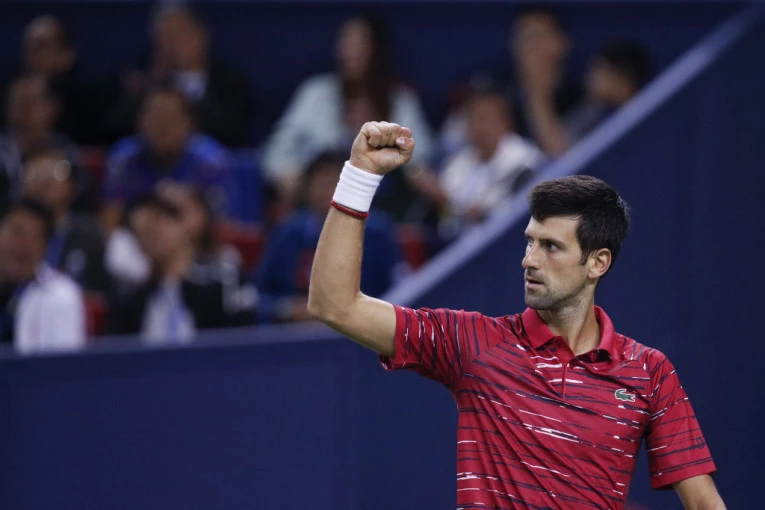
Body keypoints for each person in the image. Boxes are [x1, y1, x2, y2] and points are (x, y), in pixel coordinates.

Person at [307, 122, 724, 509]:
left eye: (551, 246)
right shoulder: (473, 342)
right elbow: (334, 305)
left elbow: (704, 502)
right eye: (530, 242)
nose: (529, 260)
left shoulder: (650, 373)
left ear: (597, 262)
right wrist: (360, 175)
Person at [261, 15, 434, 204]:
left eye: (360, 44)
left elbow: (421, 162)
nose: (349, 52)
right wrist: (293, 178)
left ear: (377, 49)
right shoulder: (315, 93)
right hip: (315, 204)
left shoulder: (401, 100)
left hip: (381, 204)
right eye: (345, 43)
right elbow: (275, 152)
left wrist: (378, 141)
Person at [257, 151, 403, 323]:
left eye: (337, 183)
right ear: (307, 189)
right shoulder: (288, 232)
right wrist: (288, 308)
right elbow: (259, 295)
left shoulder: (378, 234)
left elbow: (401, 293)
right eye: (322, 184)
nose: (329, 192)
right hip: (296, 332)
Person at [106, 192, 256, 342]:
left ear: (183, 224)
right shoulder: (130, 301)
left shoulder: (226, 281)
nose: (152, 235)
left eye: (159, 223)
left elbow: (243, 339)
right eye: (143, 230)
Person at [108, 2, 252, 147]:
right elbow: (112, 132)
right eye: (165, 36)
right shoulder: (142, 81)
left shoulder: (230, 82)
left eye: (180, 33)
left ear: (202, 35)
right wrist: (144, 92)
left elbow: (233, 132)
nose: (173, 43)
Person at [103, 84, 231, 233]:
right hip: (135, 242)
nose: (162, 127)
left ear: (189, 123)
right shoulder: (124, 159)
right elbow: (109, 222)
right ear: (139, 121)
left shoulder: (211, 163)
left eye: (170, 118)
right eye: (154, 117)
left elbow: (222, 226)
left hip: (193, 242)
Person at [413, 90, 545, 234]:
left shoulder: (524, 157)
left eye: (485, 119)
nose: (479, 127)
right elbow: (445, 196)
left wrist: (450, 201)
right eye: (472, 120)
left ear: (506, 121)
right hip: (457, 238)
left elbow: (490, 213)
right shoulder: (462, 160)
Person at [527, 41, 653, 156]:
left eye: (601, 69)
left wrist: (538, 93)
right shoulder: (591, 106)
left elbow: (559, 152)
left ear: (624, 81)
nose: (592, 74)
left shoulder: (628, 120)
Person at [0, 197, 85, 353]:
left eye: (35, 237)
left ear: (45, 248)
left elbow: (64, 363)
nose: (24, 245)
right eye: (17, 232)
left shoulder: (61, 295)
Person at [20, 146, 109, 293]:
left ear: (71, 187)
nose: (43, 183)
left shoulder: (89, 236)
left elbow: (99, 292)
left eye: (53, 176)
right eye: (36, 174)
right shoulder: (9, 232)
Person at [0, 74, 81, 202]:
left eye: (30, 102)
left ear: (52, 107)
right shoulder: (2, 153)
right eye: (17, 102)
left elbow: (80, 201)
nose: (23, 110)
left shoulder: (67, 152)